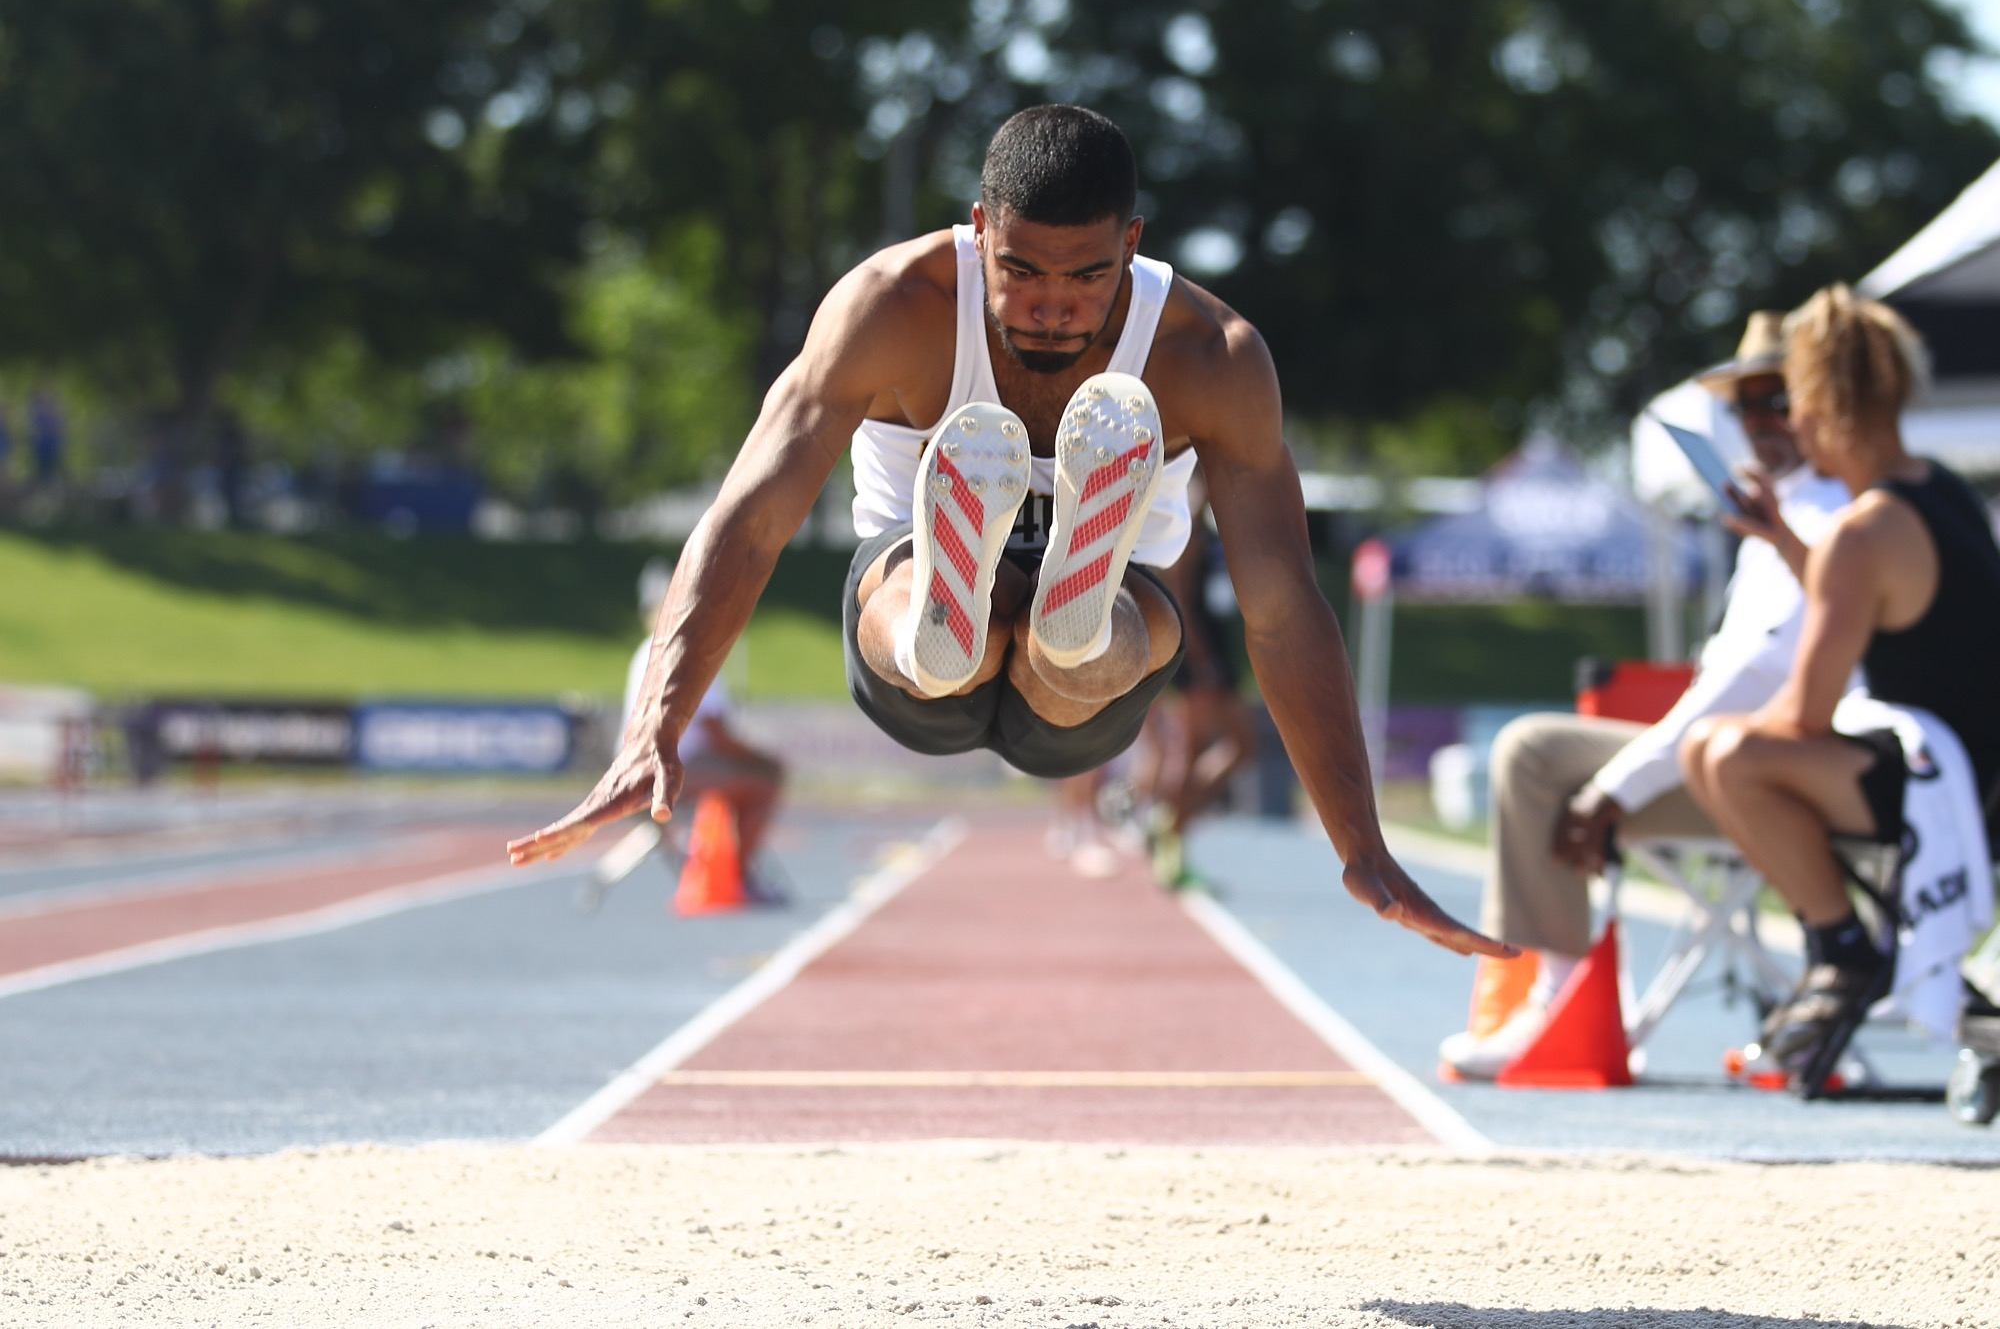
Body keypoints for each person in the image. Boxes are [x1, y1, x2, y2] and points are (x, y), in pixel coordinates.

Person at [507, 104, 1508, 961]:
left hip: (1099, 651)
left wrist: (1361, 842)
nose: (1049, 307)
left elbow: (1282, 610)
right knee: (930, 619)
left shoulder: (1210, 353)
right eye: (1020, 270)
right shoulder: (892, 305)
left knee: (1099, 646)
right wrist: (655, 729)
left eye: (1082, 279)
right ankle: (954, 612)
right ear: (978, 227)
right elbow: (750, 516)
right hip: (911, 628)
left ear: (1132, 242)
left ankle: (1065, 619)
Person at [1439, 312, 1852, 1078]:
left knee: (1538, 756)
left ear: (1821, 403)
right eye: (1745, 404)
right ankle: (1558, 999)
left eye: (1778, 398)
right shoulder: (1778, 512)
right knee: (1541, 749)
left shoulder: (1826, 517)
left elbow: (1749, 681)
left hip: (1776, 775)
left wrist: (1613, 788)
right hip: (1737, 754)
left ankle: (1560, 1006)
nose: (1759, 418)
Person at [1682, 285, 2000, 1086]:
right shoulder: (1943, 492)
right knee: (1731, 748)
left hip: (1948, 790)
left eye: (1791, 401)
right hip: (1973, 771)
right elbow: (1886, 609)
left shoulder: (1863, 532)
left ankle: (1842, 952)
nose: (1786, 423)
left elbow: (1806, 716)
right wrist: (1785, 539)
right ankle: (1844, 951)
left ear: (1822, 402)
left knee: (1726, 754)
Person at [588, 557, 788, 906]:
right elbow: (716, 734)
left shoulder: (646, 650)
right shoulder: (693, 649)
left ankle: (733, 868)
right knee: (764, 782)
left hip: (636, 771)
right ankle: (737, 877)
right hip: (670, 771)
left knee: (750, 774)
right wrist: (765, 760)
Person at [1145, 470, 1257, 889]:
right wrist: (1203, 663)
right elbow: (1183, 599)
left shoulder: (1205, 525)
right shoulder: (1187, 527)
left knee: (1222, 750)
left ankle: (1172, 827)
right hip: (1200, 661)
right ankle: (1170, 828)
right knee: (1214, 750)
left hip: (1211, 658)